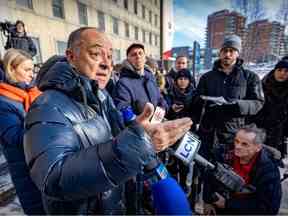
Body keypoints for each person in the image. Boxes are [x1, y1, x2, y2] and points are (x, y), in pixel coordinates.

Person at [23, 27, 192, 214]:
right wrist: (136, 146)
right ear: (71, 56)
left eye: (110, 57)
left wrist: (142, 136)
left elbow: (120, 138)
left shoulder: (103, 97)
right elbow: (53, 177)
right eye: (95, 53)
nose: (106, 64)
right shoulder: (46, 106)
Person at [193, 34, 264, 161]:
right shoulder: (206, 77)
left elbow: (258, 102)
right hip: (208, 133)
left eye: (232, 51)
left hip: (235, 136)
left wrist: (238, 104)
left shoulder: (250, 77)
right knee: (204, 170)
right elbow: (196, 103)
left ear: (237, 53)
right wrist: (200, 102)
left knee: (228, 173)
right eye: (225, 50)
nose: (228, 54)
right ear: (220, 53)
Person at [0, 49, 44, 214]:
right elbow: (15, 137)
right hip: (25, 170)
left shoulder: (30, 92)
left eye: (32, 70)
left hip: (39, 164)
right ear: (11, 69)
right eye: (26, 70)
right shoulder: (3, 101)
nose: (31, 75)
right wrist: (46, 125)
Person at [203, 124, 282, 215]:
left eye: (245, 144)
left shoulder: (268, 169)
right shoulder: (224, 153)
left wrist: (228, 204)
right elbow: (209, 175)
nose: (238, 146)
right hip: (220, 206)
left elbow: (269, 208)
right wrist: (207, 201)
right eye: (236, 141)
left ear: (258, 148)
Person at [113, 43, 168, 115]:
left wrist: (163, 109)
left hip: (158, 123)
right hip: (140, 125)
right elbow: (122, 111)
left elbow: (160, 98)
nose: (138, 56)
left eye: (140, 53)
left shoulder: (150, 77)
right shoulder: (123, 84)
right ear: (128, 60)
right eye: (133, 54)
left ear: (145, 58)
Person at [251, 56, 288, 157]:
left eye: (286, 71)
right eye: (279, 70)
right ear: (274, 70)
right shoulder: (262, 85)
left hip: (280, 136)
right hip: (261, 130)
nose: (282, 73)